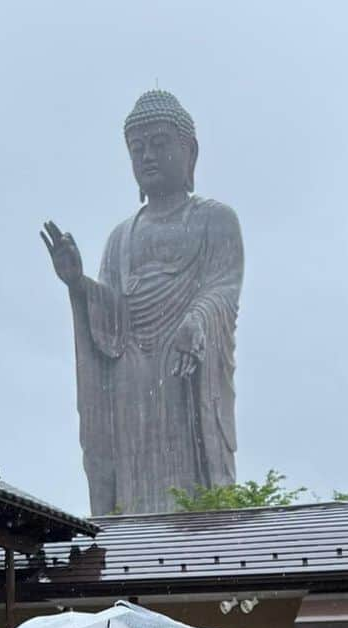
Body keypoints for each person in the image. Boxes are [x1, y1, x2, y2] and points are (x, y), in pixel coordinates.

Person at [42, 89, 243, 515]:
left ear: (188, 152)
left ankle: (198, 541)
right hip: (131, 379)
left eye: (158, 144)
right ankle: (135, 544)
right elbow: (113, 316)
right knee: (133, 484)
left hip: (186, 369)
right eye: (137, 149)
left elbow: (223, 286)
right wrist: (78, 284)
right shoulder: (121, 237)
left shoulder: (216, 219)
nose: (147, 156)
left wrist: (197, 320)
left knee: (190, 485)